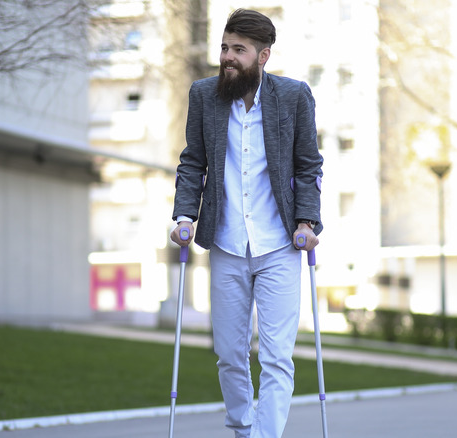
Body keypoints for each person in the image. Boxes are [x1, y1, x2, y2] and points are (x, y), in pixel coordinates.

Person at [169, 8, 323, 438]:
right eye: (224, 47)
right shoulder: (203, 95)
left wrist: (308, 220)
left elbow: (308, 166)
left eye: (239, 50)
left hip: (280, 245)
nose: (227, 57)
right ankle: (241, 428)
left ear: (263, 56)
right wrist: (184, 215)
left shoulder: (293, 97)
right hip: (227, 243)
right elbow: (192, 162)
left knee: (277, 358)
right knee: (230, 355)